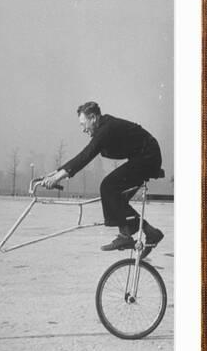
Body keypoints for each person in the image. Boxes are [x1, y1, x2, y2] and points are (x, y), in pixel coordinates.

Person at [42, 102, 164, 255]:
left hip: (148, 157)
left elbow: (85, 155)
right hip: (143, 156)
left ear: (93, 118)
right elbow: (84, 155)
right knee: (117, 199)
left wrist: (58, 178)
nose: (83, 129)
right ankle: (151, 233)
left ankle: (126, 235)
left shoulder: (106, 129)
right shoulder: (104, 127)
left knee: (108, 187)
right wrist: (54, 174)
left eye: (83, 124)